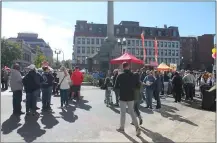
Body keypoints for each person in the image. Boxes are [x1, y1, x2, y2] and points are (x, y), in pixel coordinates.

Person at [114, 62, 141, 136]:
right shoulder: (134, 75)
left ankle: (122, 128)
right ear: (128, 67)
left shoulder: (120, 75)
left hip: (122, 96)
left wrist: (122, 87)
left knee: (122, 113)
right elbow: (138, 86)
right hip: (131, 96)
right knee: (132, 112)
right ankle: (137, 128)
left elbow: (115, 86)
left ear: (123, 67)